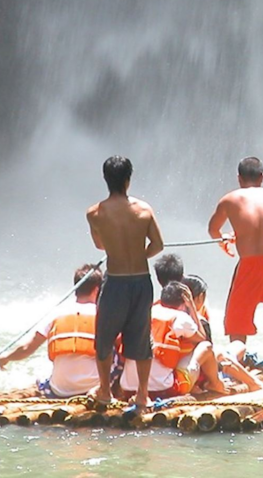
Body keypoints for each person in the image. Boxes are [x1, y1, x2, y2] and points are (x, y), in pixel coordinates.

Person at [86, 155, 164, 411]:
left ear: (105, 179)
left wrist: (118, 250)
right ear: (128, 180)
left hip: (115, 282)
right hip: (141, 282)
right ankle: (142, 395)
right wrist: (137, 254)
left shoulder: (95, 213)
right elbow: (158, 245)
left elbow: (99, 245)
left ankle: (106, 391)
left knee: (105, 337)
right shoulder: (144, 210)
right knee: (141, 338)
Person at [208, 156, 263, 370]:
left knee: (237, 315)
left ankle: (236, 364)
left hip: (250, 263)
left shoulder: (229, 199)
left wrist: (226, 238)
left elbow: (213, 229)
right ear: (262, 177)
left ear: (239, 178)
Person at [0, 264, 103, 398]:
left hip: (60, 389)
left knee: (44, 379)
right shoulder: (103, 314)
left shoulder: (57, 313)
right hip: (93, 388)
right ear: (97, 289)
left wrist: (7, 357)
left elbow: (27, 348)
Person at [120, 281, 227, 398]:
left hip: (128, 390)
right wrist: (191, 306)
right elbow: (202, 338)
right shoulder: (180, 317)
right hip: (165, 389)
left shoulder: (144, 313)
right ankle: (215, 384)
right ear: (184, 302)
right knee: (206, 347)